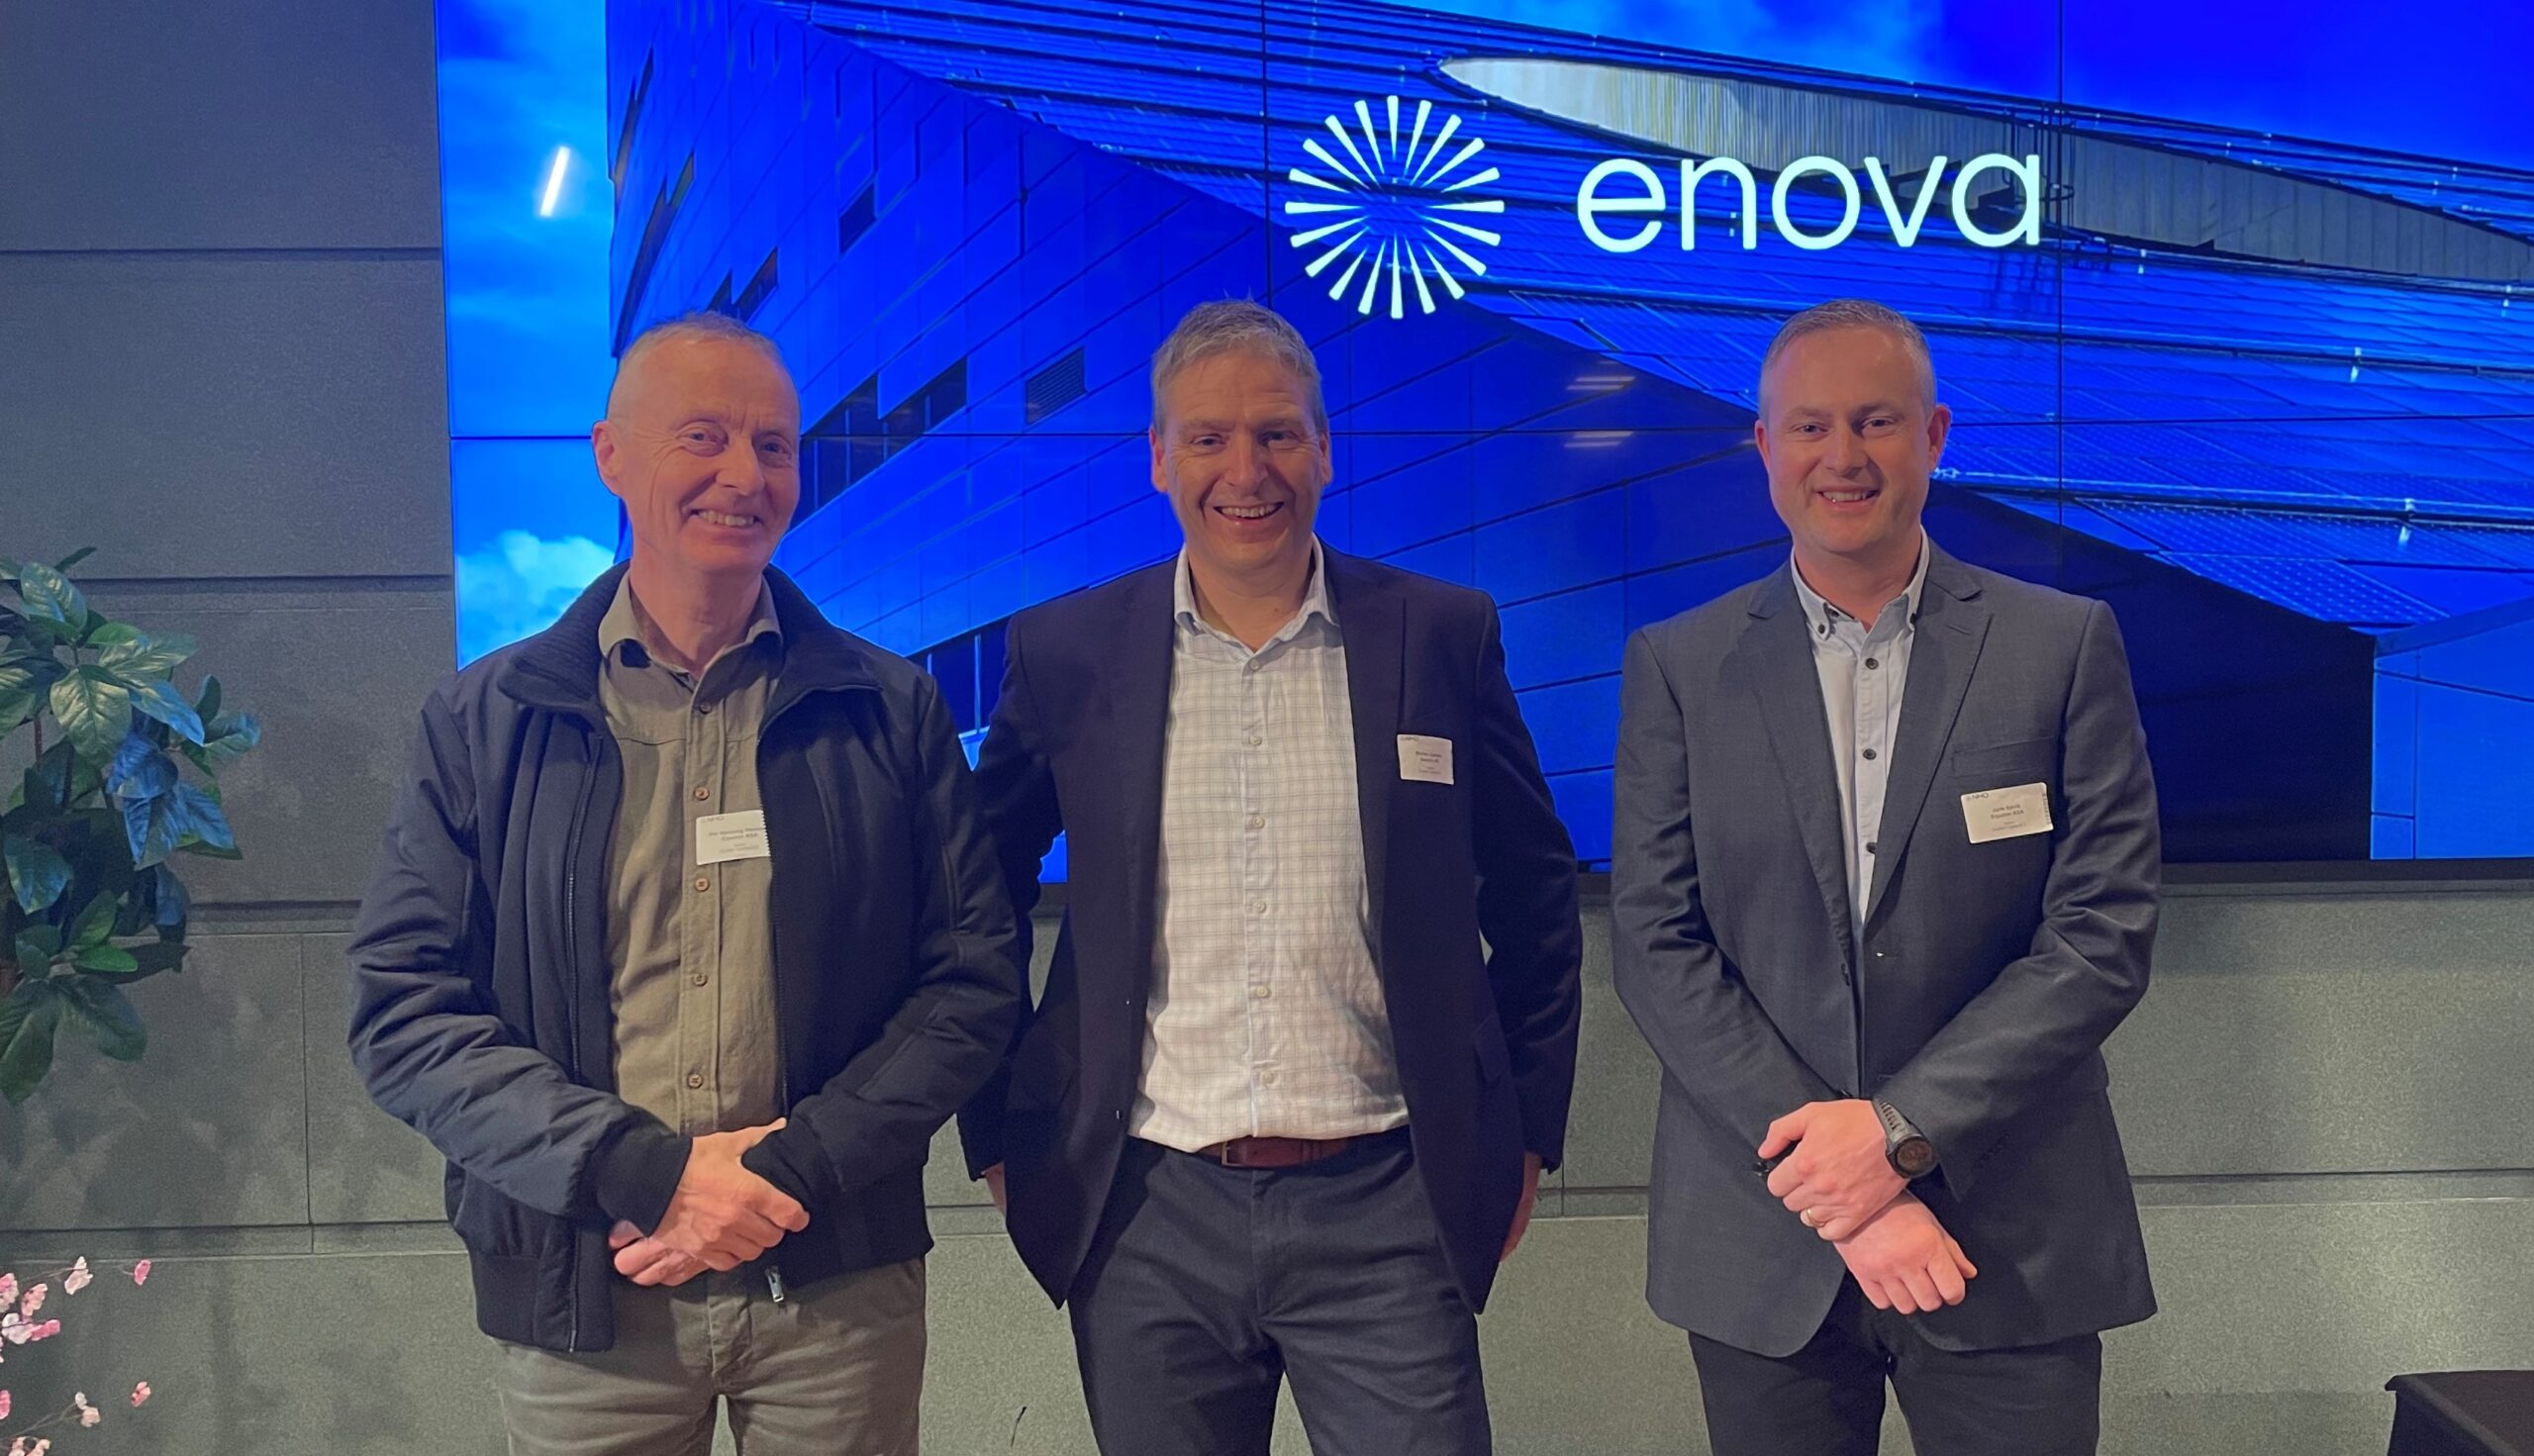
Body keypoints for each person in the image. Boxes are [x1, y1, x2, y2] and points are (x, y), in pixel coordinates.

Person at [347, 312, 1023, 1454]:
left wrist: (787, 1169)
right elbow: (404, 1011)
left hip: (833, 1283)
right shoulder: (483, 721)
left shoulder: (890, 711)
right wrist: (645, 1173)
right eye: (702, 436)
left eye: (773, 445)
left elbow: (970, 984)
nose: (743, 475)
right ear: (611, 455)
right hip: (589, 1287)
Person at [957, 298, 1584, 1454]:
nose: (1245, 471)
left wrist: (1528, 1129)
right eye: (1207, 437)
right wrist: (994, 1123)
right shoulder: (1066, 651)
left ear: (1324, 449)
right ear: (1158, 457)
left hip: (1390, 1200)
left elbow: (1537, 891)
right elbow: (975, 892)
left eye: (1277, 433)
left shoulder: (1442, 634)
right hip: (1144, 1211)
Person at [1611, 298, 2160, 1455]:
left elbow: (2100, 933)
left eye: (1875, 421)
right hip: (1764, 1241)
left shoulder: (2062, 644)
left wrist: (1901, 1131)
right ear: (1764, 446)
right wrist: (1842, 1181)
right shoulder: (1678, 665)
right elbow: (1657, 943)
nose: (1842, 456)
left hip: (2009, 1234)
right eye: (1808, 426)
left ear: (1934, 434)